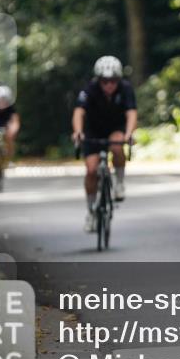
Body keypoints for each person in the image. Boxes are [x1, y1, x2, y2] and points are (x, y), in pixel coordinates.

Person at [71, 56, 137, 233]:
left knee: (117, 146)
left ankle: (120, 183)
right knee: (91, 171)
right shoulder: (89, 89)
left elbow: (131, 114)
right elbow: (79, 112)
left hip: (115, 127)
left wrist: (129, 133)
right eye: (105, 81)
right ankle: (91, 212)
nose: (109, 85)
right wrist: (78, 132)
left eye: (113, 81)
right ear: (98, 80)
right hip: (93, 130)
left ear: (119, 79)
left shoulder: (126, 89)